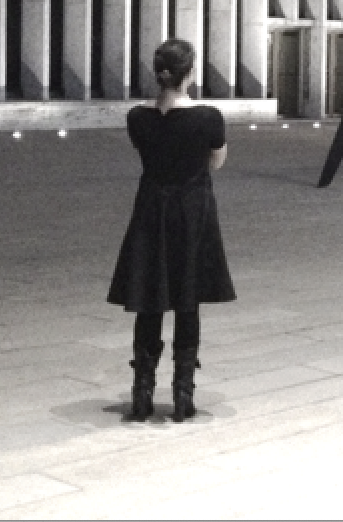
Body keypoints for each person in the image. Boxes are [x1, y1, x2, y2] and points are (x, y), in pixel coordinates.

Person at [107, 38, 236, 422]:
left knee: (149, 295)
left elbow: (149, 154)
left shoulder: (137, 117)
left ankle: (142, 392)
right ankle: (183, 394)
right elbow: (216, 161)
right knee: (187, 297)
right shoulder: (209, 117)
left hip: (151, 209)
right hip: (192, 210)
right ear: (189, 73)